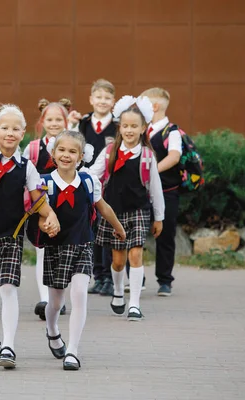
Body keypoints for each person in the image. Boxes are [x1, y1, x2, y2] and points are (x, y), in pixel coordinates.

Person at [0, 104, 60, 369]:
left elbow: (39, 200)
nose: (10, 133)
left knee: (8, 287)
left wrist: (49, 215)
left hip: (12, 236)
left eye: (16, 129)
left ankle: (8, 345)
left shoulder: (26, 166)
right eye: (4, 128)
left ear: (23, 134)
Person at [37, 130, 124, 370]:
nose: (66, 155)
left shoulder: (88, 181)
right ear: (53, 154)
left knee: (79, 295)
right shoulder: (44, 183)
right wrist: (46, 225)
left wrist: (119, 228)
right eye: (62, 150)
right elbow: (37, 215)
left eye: (72, 151)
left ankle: (73, 351)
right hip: (55, 249)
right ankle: (52, 330)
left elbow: (103, 207)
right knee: (55, 303)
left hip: (83, 245)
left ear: (81, 156)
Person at [90, 95, 165, 321]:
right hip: (114, 213)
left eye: (135, 126)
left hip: (139, 211)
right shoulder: (110, 152)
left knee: (135, 256)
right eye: (125, 126)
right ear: (119, 128)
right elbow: (93, 173)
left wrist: (159, 217)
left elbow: (155, 188)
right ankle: (117, 292)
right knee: (118, 260)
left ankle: (134, 304)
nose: (130, 130)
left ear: (143, 128)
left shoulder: (147, 156)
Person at [23, 99, 69, 320]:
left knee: (65, 251)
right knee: (43, 251)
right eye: (49, 119)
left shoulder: (73, 145)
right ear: (42, 122)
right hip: (41, 205)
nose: (54, 123)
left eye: (58, 119)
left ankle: (59, 297)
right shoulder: (33, 148)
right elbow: (22, 175)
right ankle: (45, 298)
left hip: (67, 204)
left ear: (66, 121)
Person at [73, 79, 117, 297]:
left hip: (110, 185)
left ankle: (109, 277)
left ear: (113, 101)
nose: (102, 101)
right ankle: (98, 275)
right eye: (98, 97)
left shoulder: (118, 126)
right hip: (84, 183)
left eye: (107, 98)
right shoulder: (82, 124)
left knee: (106, 228)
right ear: (91, 99)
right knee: (92, 228)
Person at [140, 87, 183, 297]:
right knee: (135, 233)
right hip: (140, 192)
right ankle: (137, 277)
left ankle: (165, 280)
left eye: (143, 103)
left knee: (165, 235)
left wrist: (152, 172)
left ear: (154, 107)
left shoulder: (171, 132)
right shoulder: (140, 130)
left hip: (167, 192)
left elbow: (174, 157)